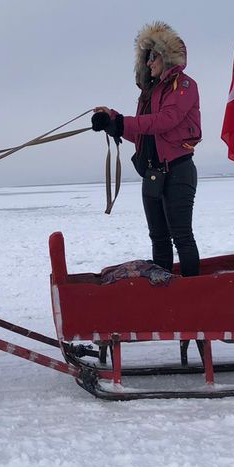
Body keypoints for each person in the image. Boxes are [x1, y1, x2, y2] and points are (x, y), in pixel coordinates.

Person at [92, 21, 202, 276]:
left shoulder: (184, 86)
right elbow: (143, 133)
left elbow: (165, 121)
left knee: (182, 237)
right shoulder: (148, 95)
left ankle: (194, 296)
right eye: (146, 58)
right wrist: (113, 122)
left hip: (178, 171)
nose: (149, 63)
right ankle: (163, 293)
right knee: (159, 238)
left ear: (166, 57)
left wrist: (121, 122)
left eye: (153, 57)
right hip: (153, 175)